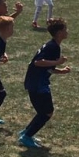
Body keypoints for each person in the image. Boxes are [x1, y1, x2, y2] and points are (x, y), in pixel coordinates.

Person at [19, 18, 72, 149]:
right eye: (65, 29)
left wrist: (61, 71)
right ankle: (26, 137)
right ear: (59, 33)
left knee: (42, 112)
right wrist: (57, 62)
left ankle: (26, 132)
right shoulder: (52, 47)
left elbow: (47, 67)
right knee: (47, 112)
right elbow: (38, 62)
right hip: (37, 84)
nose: (67, 31)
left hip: (36, 82)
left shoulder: (53, 46)